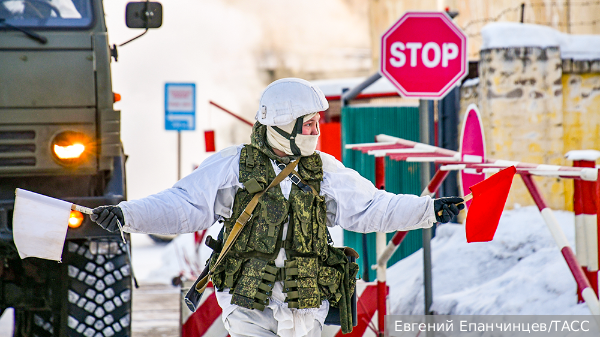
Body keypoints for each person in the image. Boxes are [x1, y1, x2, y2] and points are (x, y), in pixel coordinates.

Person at [90, 78, 464, 337]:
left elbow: (373, 209)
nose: (317, 132)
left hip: (305, 306)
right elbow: (183, 204)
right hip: (249, 303)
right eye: (311, 124)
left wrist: (430, 210)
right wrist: (127, 215)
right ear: (284, 125)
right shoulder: (232, 165)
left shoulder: (325, 170)